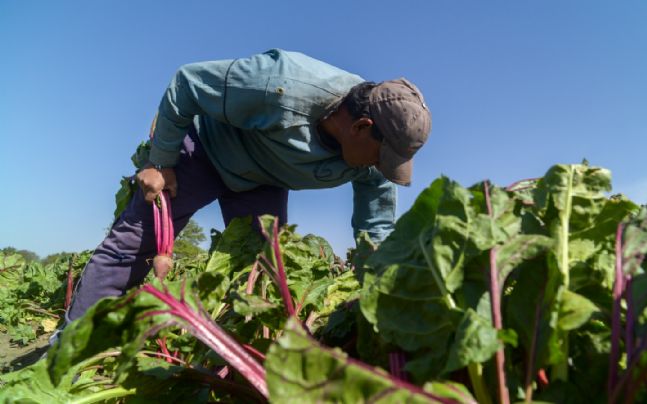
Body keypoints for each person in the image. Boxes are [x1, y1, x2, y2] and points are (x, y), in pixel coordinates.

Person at [64, 48, 431, 324]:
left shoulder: (370, 165)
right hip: (206, 152)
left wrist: (382, 286)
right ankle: (70, 348)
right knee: (132, 246)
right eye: (381, 157)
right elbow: (187, 83)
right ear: (361, 126)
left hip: (264, 182)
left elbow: (377, 231)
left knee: (262, 275)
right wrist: (161, 161)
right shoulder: (282, 83)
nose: (379, 169)